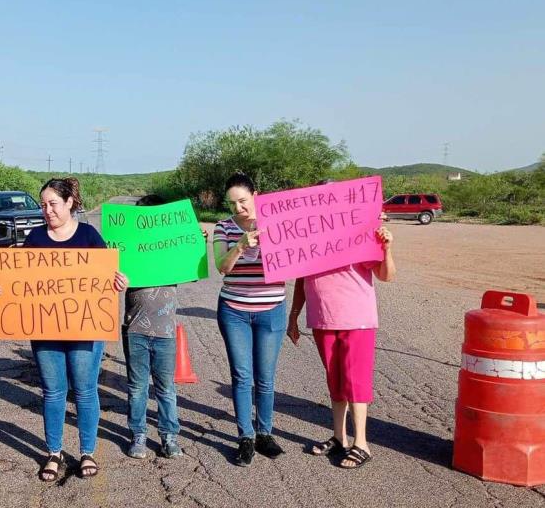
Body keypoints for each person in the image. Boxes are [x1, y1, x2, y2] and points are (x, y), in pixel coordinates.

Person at [0, 177, 128, 482]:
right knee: (53, 392)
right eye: (43, 204)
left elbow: (106, 277)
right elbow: (19, 282)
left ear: (69, 203)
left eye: (53, 203)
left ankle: (87, 451)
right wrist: (2, 290)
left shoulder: (90, 236)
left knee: (85, 391)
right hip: (46, 331)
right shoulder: (36, 238)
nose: (47, 210)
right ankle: (54, 453)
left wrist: (119, 282)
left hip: (84, 331)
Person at [286, 198, 396, 469]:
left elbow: (386, 275)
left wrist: (387, 248)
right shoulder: (308, 240)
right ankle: (339, 437)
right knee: (335, 380)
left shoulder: (362, 235)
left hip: (356, 319)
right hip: (323, 320)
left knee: (355, 381)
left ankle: (362, 443)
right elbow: (301, 280)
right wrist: (293, 316)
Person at [122, 194, 209, 460]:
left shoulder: (173, 252)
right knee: (137, 388)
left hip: (165, 333)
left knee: (166, 388)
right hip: (134, 330)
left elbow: (195, 269)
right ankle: (138, 434)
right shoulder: (128, 250)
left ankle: (169, 436)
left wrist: (197, 243)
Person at [213, 171, 288, 467]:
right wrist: (241, 245)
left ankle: (264, 433)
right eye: (232, 204)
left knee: (266, 378)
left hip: (271, 309)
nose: (238, 208)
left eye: (243, 201)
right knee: (242, 376)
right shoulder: (224, 227)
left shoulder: (279, 224)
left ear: (255, 194)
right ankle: (245, 437)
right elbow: (222, 267)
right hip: (234, 310)